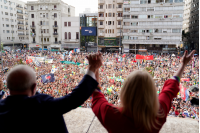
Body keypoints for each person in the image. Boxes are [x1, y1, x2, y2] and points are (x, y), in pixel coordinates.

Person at [91, 50, 195, 133]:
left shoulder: (111, 115)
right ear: (152, 93)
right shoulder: (159, 114)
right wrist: (183, 64)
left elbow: (96, 94)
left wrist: (94, 68)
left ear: (125, 92)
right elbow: (171, 87)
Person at [0, 53, 103, 133]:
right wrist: (92, 68)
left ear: (7, 86)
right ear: (34, 87)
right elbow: (74, 98)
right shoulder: (42, 105)